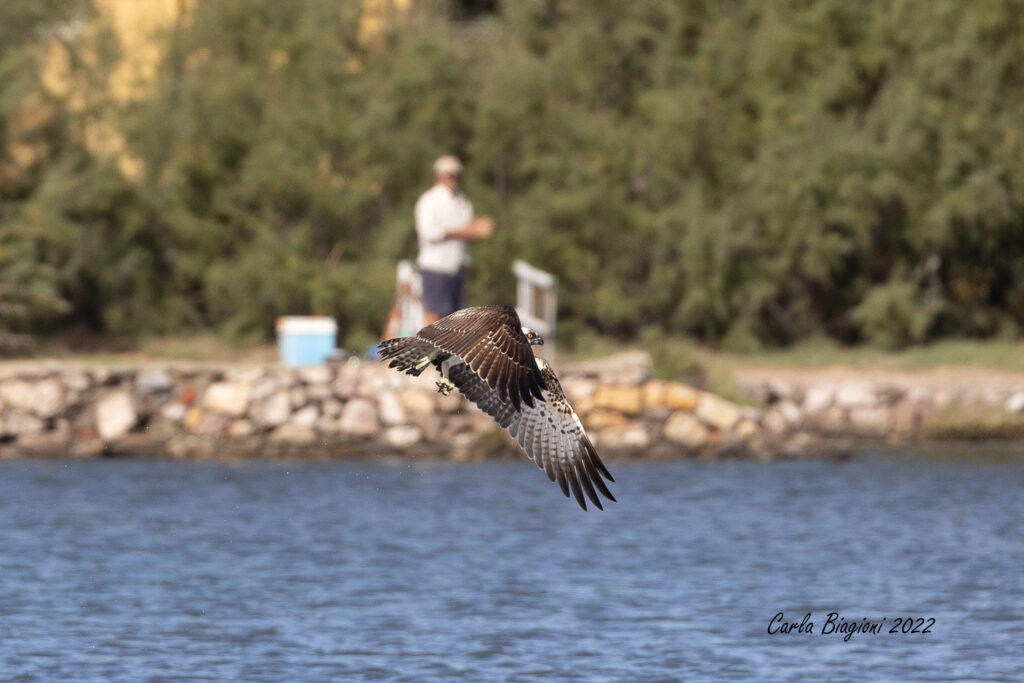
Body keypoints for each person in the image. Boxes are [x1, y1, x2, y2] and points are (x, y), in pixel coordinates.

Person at [414, 155, 494, 324]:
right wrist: (468, 230)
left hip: (456, 266)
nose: (452, 178)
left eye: (455, 174)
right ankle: (429, 350)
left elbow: (467, 230)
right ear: (438, 175)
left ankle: (447, 351)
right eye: (448, 174)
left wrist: (478, 229)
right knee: (434, 315)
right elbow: (430, 233)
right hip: (436, 267)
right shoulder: (429, 201)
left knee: (456, 318)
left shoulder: (462, 200)